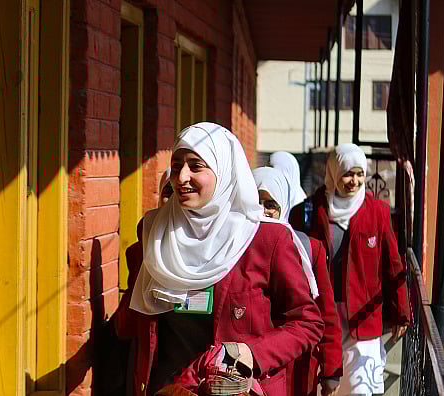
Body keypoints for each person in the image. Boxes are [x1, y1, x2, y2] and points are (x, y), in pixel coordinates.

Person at [114, 122, 324, 396]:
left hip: (237, 389)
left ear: (224, 171)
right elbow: (135, 320)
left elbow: (308, 323)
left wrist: (252, 353)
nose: (181, 177)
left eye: (195, 166)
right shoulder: (155, 231)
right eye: (176, 166)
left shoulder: (265, 238)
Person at [289, 143, 410, 395]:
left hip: (363, 316)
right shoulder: (312, 211)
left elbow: (392, 263)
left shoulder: (377, 212)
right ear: (334, 172)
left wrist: (402, 311)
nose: (354, 181)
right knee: (326, 384)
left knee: (359, 389)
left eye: (359, 174)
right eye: (347, 173)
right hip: (324, 311)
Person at [252, 167, 342, 396]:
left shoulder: (308, 249)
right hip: (253, 365)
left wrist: (331, 370)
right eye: (257, 202)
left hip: (298, 368)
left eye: (271, 204)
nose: (264, 211)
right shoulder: (233, 250)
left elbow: (326, 313)